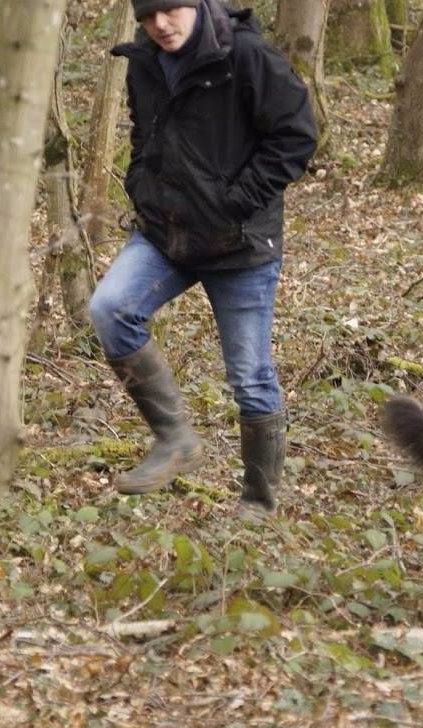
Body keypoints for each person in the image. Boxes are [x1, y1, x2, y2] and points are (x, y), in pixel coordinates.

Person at [89, 0, 317, 514]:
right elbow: (144, 134)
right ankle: (175, 440)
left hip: (239, 245)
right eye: (148, 17)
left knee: (250, 377)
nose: (160, 25)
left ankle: (258, 501)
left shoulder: (248, 57)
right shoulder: (144, 62)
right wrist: (142, 185)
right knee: (110, 310)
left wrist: (235, 201)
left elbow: (296, 136)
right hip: (165, 233)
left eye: (170, 10)